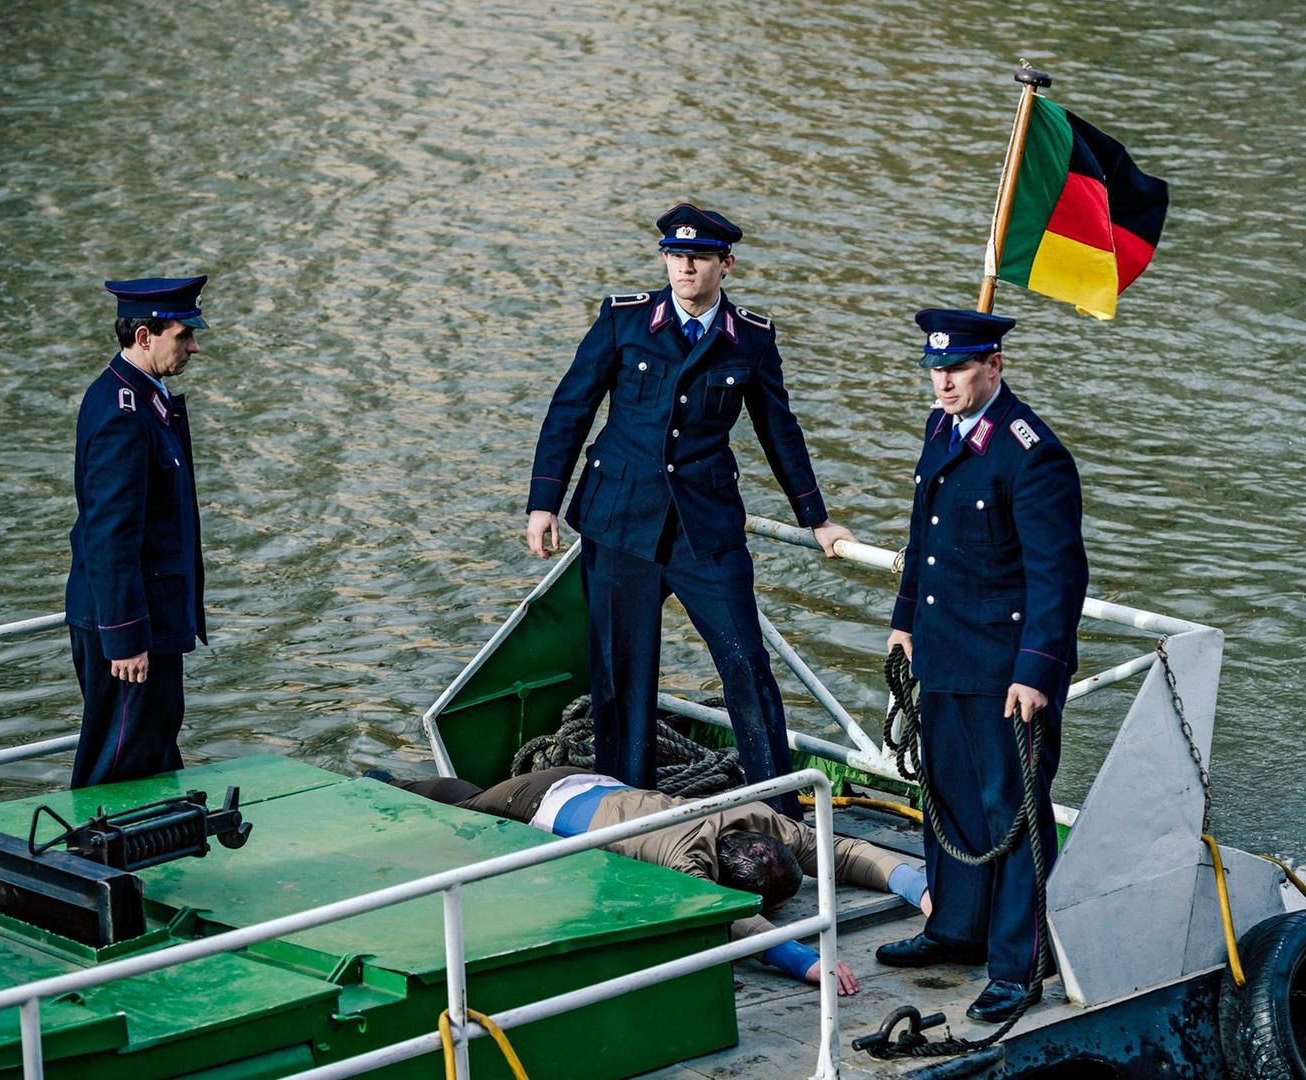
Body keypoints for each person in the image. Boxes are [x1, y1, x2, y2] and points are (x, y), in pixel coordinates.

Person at [524, 204, 854, 816]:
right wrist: (543, 502)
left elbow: (779, 430)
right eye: (675, 256)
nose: (684, 268)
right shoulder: (624, 320)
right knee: (622, 673)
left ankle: (778, 806)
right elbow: (570, 408)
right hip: (620, 520)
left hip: (705, 528)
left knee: (745, 661)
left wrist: (816, 517)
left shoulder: (751, 338)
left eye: (698, 258)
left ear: (726, 264)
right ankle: (627, 809)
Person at [874, 309, 1088, 1023]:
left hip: (1005, 668)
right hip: (944, 650)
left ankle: (1019, 966)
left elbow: (1058, 577)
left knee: (1013, 813)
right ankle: (956, 930)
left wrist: (1037, 671)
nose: (944, 382)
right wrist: (905, 622)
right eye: (936, 370)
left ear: (994, 366)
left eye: (959, 369)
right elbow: (924, 538)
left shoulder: (1032, 454)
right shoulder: (943, 429)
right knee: (952, 798)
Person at [371, 765, 930, 994]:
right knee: (462, 808)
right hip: (535, 804)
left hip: (592, 782)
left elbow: (843, 850)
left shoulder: (757, 820)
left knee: (470, 796)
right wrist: (804, 960)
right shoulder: (682, 858)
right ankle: (384, 783)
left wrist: (917, 887)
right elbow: (730, 917)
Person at [64, 276, 212, 789]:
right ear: (144, 337)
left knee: (152, 755)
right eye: (183, 335)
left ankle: (168, 836)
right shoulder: (123, 415)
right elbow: (110, 535)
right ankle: (89, 844)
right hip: (130, 630)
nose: (194, 346)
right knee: (116, 768)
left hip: (151, 619)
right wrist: (125, 638)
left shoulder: (142, 397)